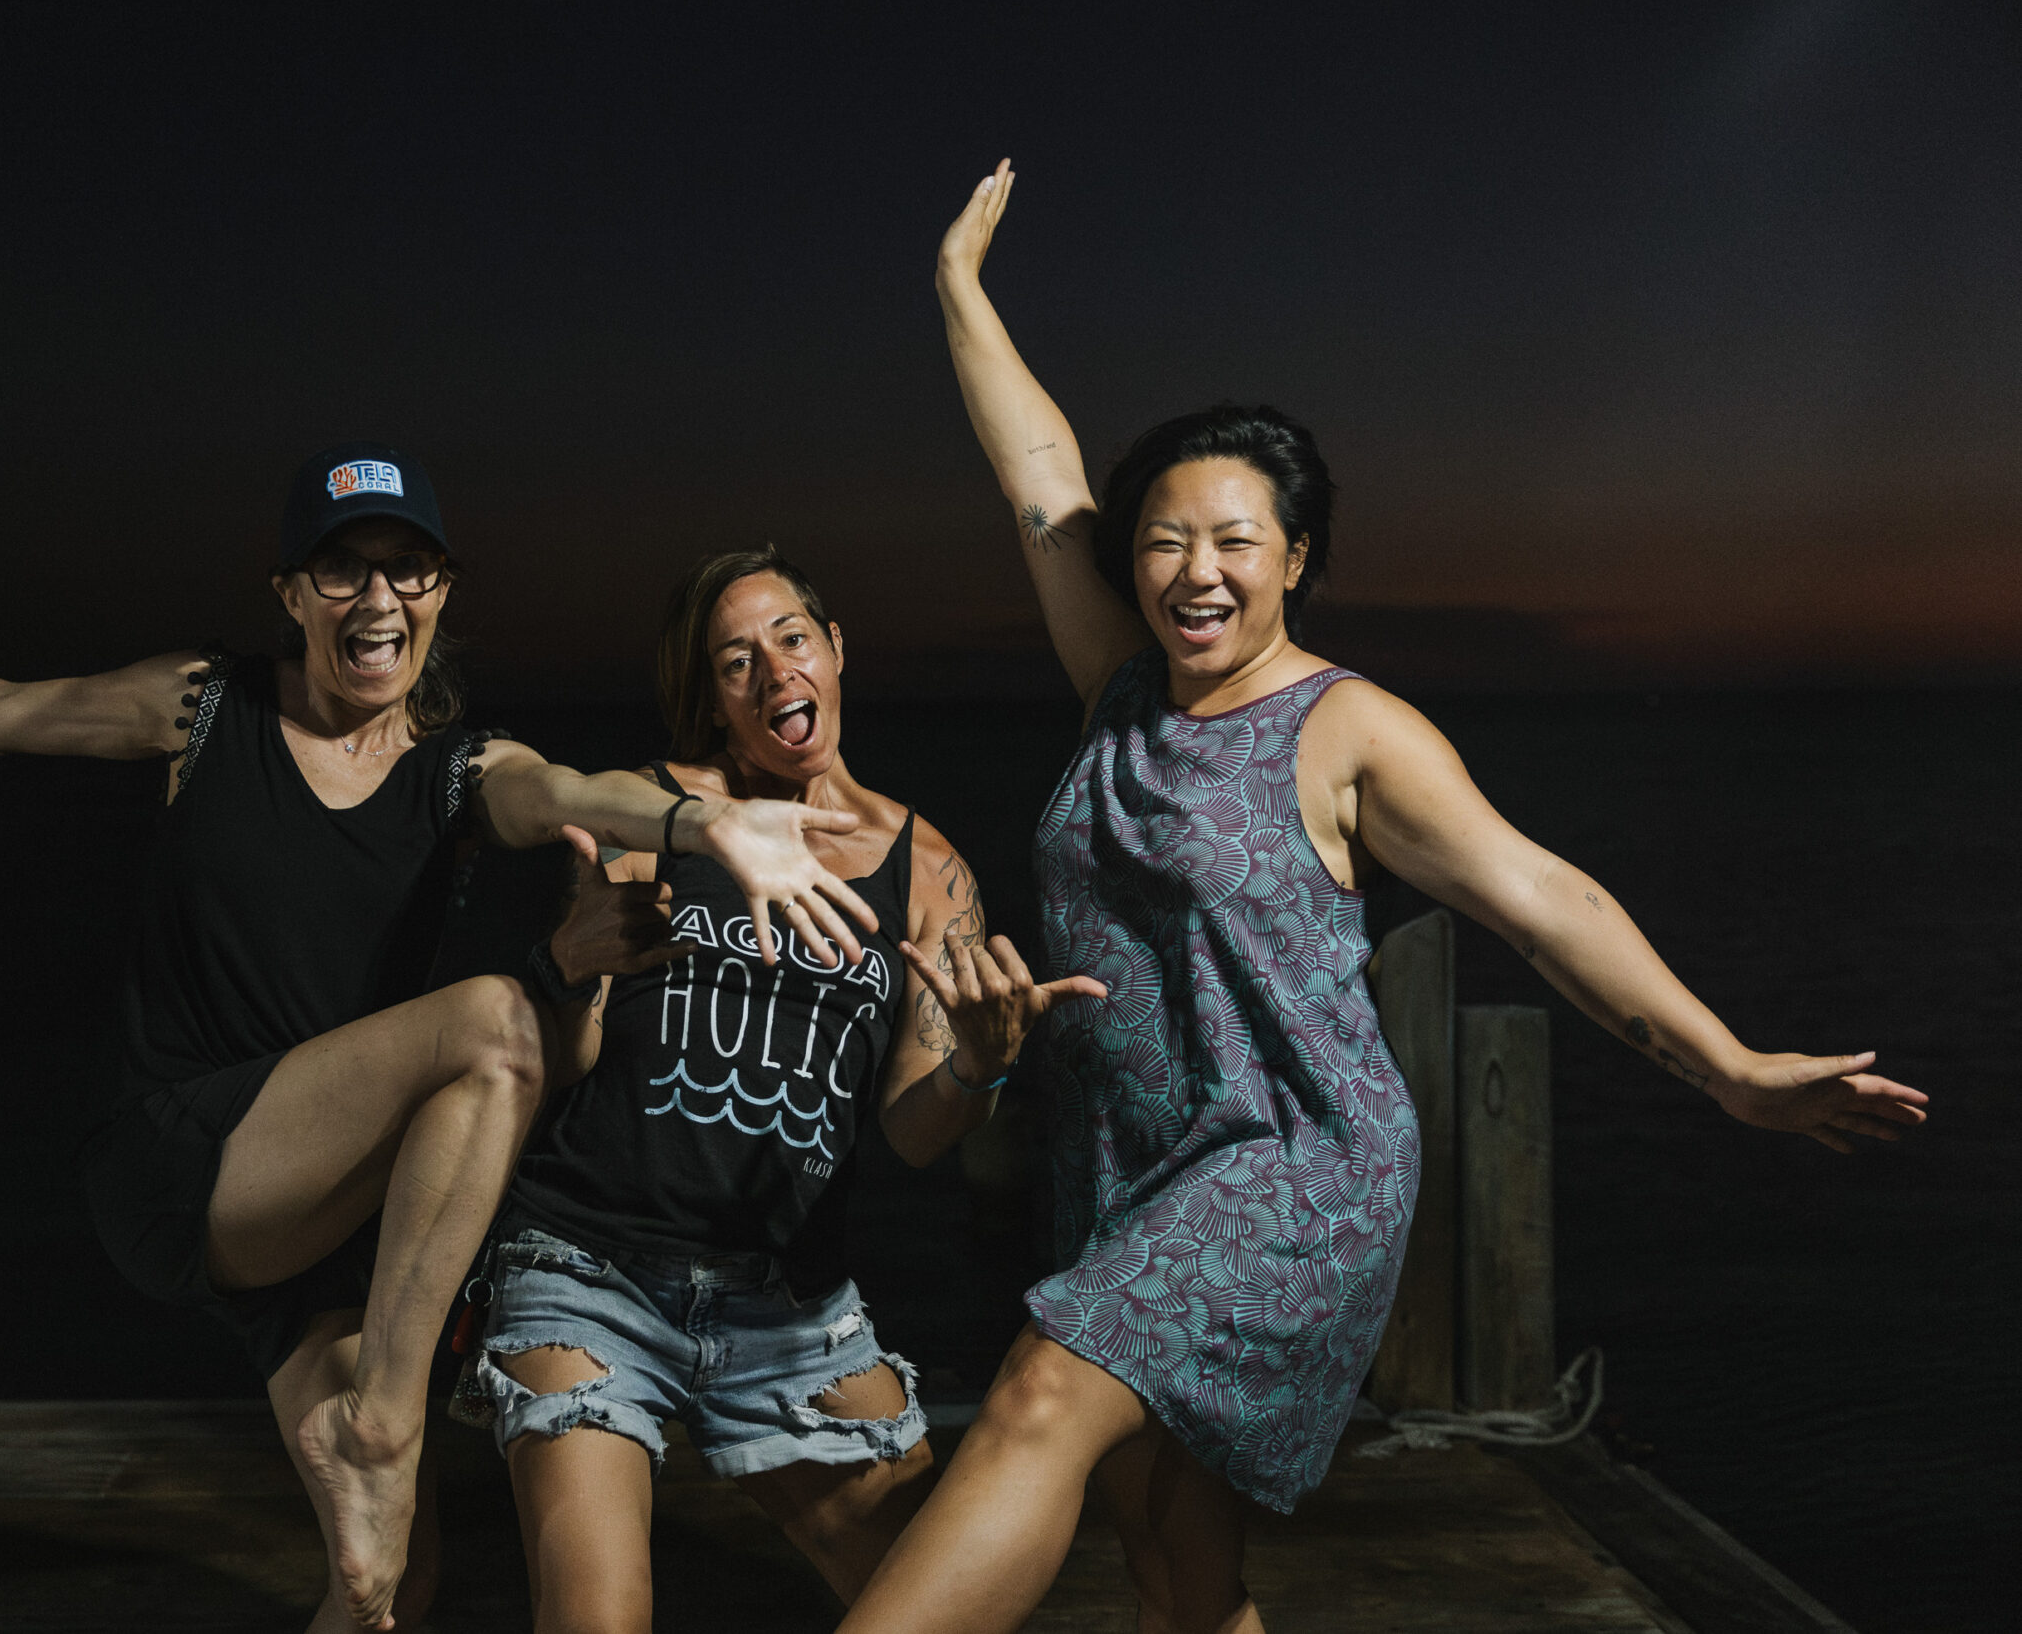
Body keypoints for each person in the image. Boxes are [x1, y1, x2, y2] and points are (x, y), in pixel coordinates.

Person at [825, 165, 1937, 1634]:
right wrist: (958, 289)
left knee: (1038, 1391)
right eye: (1162, 539)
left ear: (1295, 559)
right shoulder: (1119, 693)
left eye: (1234, 540)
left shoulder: (1351, 733)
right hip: (1125, 1169)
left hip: (1288, 1167)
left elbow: (1544, 898)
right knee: (1174, 1557)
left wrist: (1727, 1069)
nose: (1193, 570)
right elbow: (1040, 481)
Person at [0, 442, 884, 1633]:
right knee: (497, 1021)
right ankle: (385, 1415)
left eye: (408, 570)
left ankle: (376, 1442)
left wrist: (704, 823)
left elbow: (569, 791)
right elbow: (7, 712)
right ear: (289, 594)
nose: (379, 599)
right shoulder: (207, 707)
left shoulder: (456, 773)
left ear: (442, 592)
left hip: (324, 1226)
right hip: (178, 1157)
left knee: (382, 1588)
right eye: (343, 570)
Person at [459, 547, 1105, 1633]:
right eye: (734, 661)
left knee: (942, 1602)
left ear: (835, 650)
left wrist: (982, 1063)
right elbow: (562, 1063)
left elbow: (911, 1128)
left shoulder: (926, 867)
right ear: (713, 701)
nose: (771, 673)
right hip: (590, 1271)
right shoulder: (658, 817)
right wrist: (568, 963)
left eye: (790, 639)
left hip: (794, 1311)